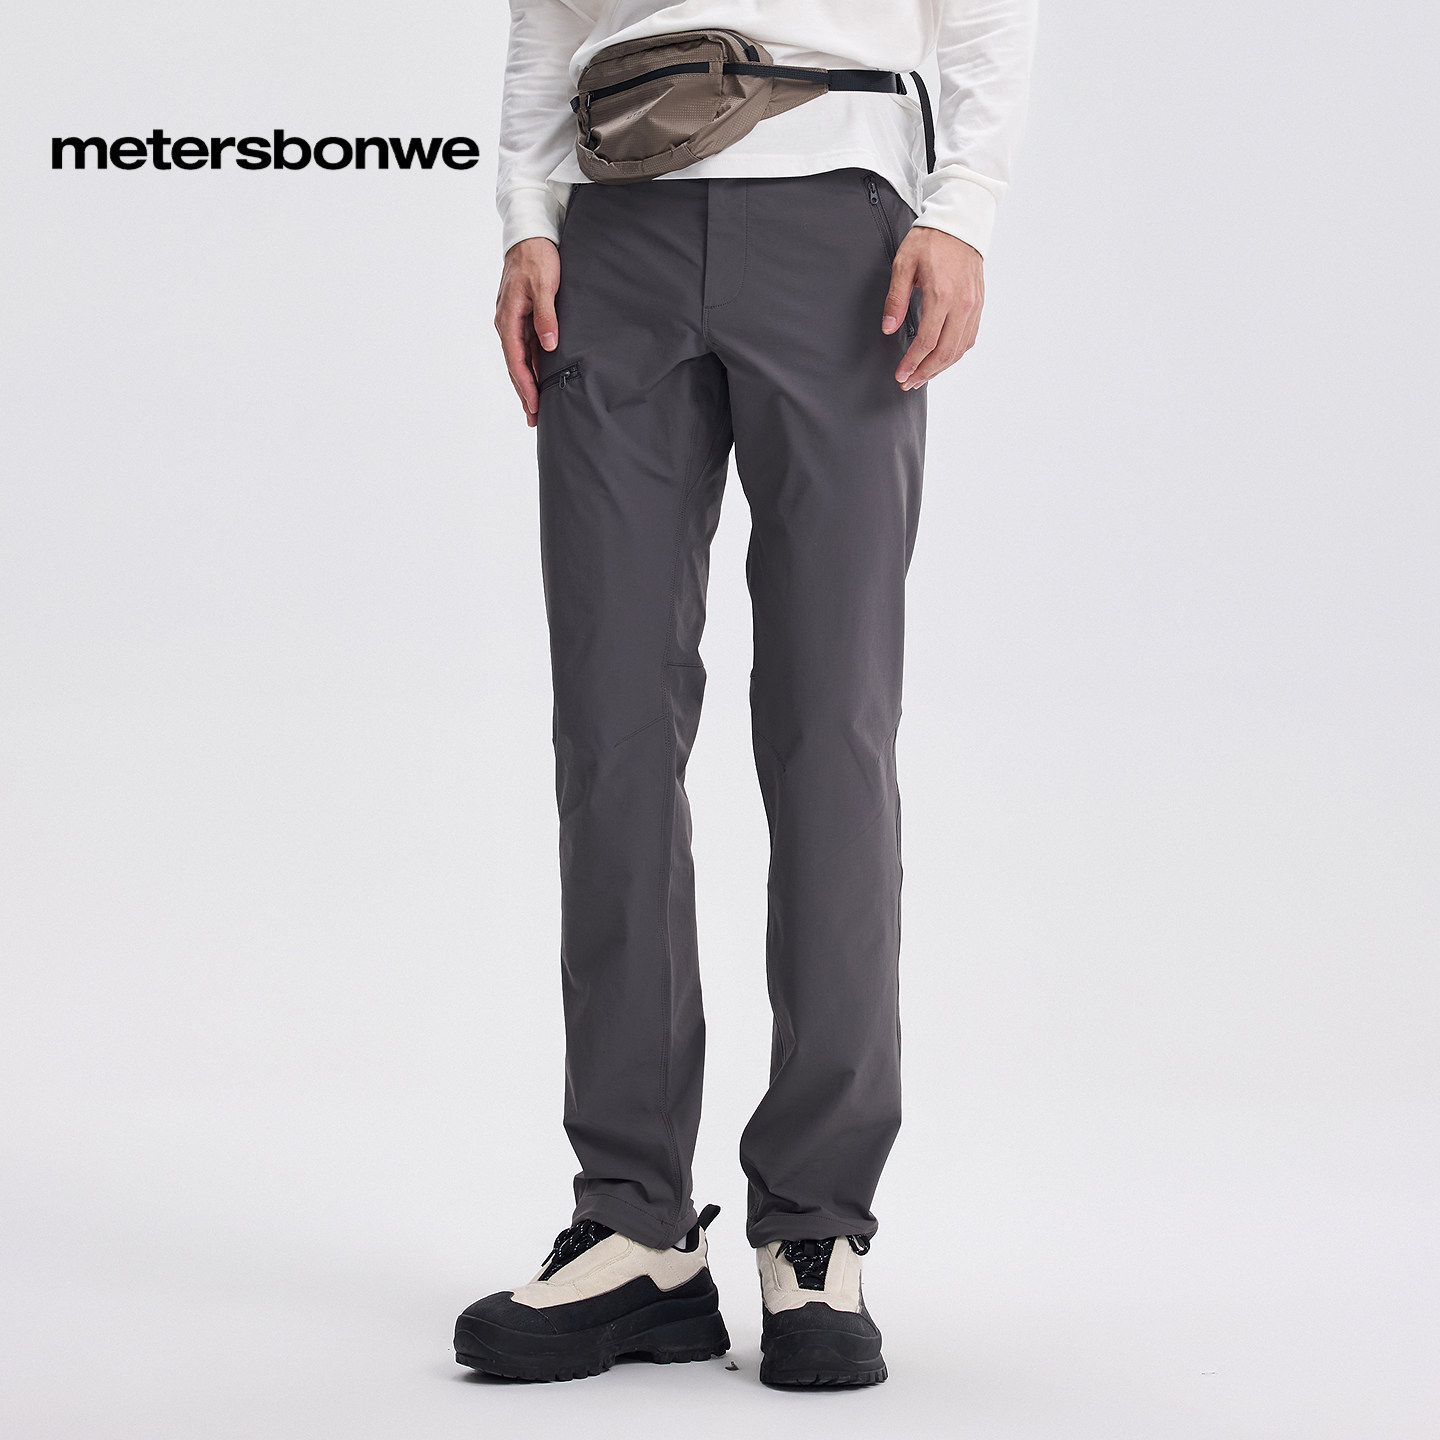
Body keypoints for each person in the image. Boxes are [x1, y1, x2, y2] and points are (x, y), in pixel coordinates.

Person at [454, 0, 1035, 1388]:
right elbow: (546, 26)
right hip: (616, 230)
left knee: (832, 730)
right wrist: (529, 219)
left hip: (842, 220)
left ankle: (816, 1229)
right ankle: (635, 1227)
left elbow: (988, 17)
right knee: (609, 730)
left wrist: (962, 210)